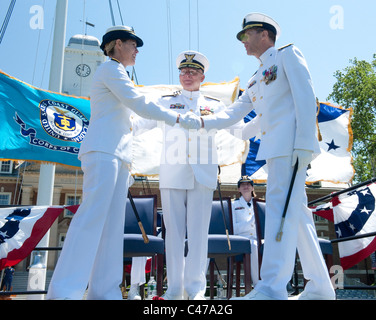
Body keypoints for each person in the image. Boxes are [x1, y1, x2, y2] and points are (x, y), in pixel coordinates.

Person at [180, 13, 335, 300]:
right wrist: (204, 121)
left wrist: (305, 143)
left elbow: (305, 96)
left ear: (263, 34)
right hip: (275, 149)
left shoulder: (287, 55)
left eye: (245, 36)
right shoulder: (256, 78)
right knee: (295, 214)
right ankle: (321, 288)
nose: (242, 42)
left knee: (279, 211)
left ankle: (271, 287)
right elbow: (240, 116)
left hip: (291, 146)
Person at [46, 26, 194, 300]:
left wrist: (173, 108)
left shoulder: (119, 75)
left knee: (110, 228)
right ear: (116, 44)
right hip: (103, 153)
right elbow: (138, 102)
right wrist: (176, 117)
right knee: (91, 219)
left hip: (118, 156)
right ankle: (64, 292)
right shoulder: (110, 70)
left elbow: (135, 121)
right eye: (132, 43)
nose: (137, 49)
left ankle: (104, 291)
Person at [133, 50, 244, 300]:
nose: (187, 76)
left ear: (203, 76)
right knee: (173, 233)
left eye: (193, 72)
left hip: (202, 174)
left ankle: (195, 289)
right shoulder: (165, 101)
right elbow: (140, 123)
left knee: (198, 232)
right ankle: (174, 289)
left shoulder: (215, 106)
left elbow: (241, 130)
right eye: (183, 71)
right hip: (173, 173)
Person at [232, 176, 259, 286]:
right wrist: (250, 224)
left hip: (258, 238)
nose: (246, 186)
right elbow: (233, 228)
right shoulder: (233, 205)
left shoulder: (259, 204)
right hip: (241, 239)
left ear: (253, 188)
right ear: (238, 189)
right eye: (242, 184)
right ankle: (258, 284)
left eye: (248, 184)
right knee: (253, 245)